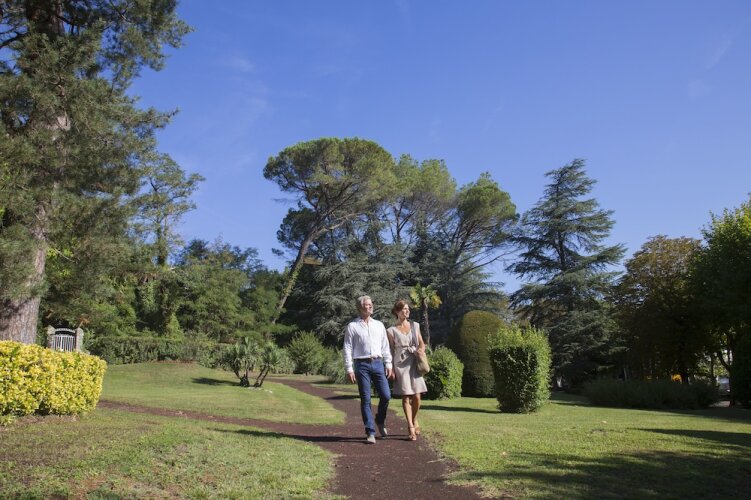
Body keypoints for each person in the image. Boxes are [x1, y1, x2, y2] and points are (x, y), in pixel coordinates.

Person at [343, 295, 394, 444]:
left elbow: (385, 346)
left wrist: (388, 364)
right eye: (367, 304)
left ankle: (380, 420)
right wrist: (349, 369)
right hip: (361, 364)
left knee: (386, 395)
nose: (370, 306)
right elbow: (347, 348)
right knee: (366, 399)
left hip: (378, 363)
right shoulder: (352, 326)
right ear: (360, 307)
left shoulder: (379, 325)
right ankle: (370, 432)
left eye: (371, 304)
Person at [386, 299, 428, 441]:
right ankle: (410, 427)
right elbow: (390, 351)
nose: (407, 311)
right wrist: (391, 368)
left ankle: (414, 419)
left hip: (414, 361)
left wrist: (421, 350)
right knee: (406, 396)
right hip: (400, 364)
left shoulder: (415, 326)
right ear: (397, 312)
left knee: (417, 396)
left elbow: (421, 343)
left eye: (408, 308)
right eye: (404, 309)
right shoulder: (391, 331)